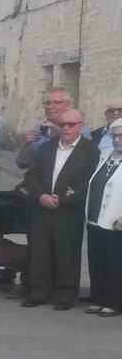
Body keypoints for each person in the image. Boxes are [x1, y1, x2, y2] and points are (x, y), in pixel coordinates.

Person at [21, 109, 98, 310]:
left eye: (71, 125)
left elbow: (88, 182)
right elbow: (30, 175)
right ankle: (39, 292)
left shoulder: (90, 150)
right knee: (40, 252)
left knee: (67, 253)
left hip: (69, 211)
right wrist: (41, 196)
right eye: (63, 124)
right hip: (42, 207)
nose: (65, 128)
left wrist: (63, 200)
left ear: (81, 125)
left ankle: (65, 294)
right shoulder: (46, 148)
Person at [86, 118, 122, 316]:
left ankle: (114, 301)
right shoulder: (105, 155)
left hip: (117, 222)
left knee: (114, 263)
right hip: (95, 217)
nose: (117, 140)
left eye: (121, 136)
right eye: (114, 136)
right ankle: (97, 297)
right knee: (96, 260)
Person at [16, 88, 72, 170]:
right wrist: (25, 145)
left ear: (67, 105)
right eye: (48, 103)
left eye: (56, 102)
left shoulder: (79, 129)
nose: (50, 107)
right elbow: (22, 163)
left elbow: (81, 158)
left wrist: (60, 135)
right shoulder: (40, 128)